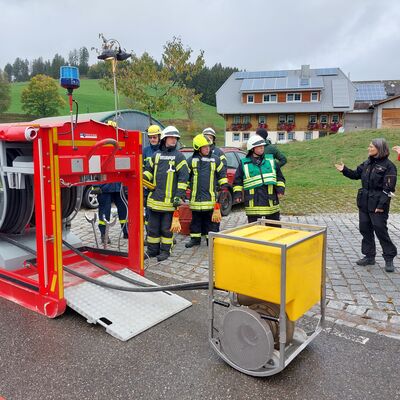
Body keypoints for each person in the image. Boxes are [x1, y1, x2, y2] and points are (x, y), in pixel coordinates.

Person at [335, 138, 397, 272]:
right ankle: (369, 256)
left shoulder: (389, 166)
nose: (368, 149)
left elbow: (388, 189)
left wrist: (381, 205)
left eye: (371, 147)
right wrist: (344, 170)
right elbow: (356, 174)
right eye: (369, 146)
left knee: (380, 229)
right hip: (364, 202)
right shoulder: (367, 163)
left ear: (379, 149)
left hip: (379, 203)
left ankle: (389, 257)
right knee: (365, 229)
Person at [143, 126, 189, 262]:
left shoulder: (179, 157)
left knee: (166, 229)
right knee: (153, 228)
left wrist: (179, 196)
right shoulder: (156, 155)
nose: (173, 140)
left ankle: (165, 251)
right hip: (154, 200)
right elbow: (149, 171)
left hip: (169, 203)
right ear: (164, 139)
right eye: (171, 137)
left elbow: (183, 178)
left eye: (175, 138)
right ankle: (152, 250)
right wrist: (143, 178)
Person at [185, 134, 228, 248]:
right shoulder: (191, 161)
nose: (207, 148)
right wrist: (187, 186)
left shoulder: (215, 159)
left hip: (210, 198)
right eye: (204, 147)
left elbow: (222, 174)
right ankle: (195, 239)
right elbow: (184, 177)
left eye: (208, 146)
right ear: (197, 148)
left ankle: (211, 240)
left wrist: (223, 185)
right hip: (195, 198)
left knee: (211, 222)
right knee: (196, 221)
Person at [233, 135, 286, 223]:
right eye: (259, 146)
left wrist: (280, 189)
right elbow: (237, 181)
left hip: (271, 203)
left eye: (263, 146)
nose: (262, 148)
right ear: (252, 148)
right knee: (254, 231)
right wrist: (238, 194)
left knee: (274, 230)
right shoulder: (244, 164)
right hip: (253, 204)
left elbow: (280, 178)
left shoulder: (271, 161)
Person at [143, 125, 162, 236]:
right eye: (150, 137)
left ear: (159, 137)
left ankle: (165, 234)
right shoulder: (145, 151)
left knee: (163, 213)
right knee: (149, 214)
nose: (152, 139)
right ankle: (149, 234)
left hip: (161, 187)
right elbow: (142, 168)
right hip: (148, 189)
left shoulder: (163, 151)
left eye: (154, 137)